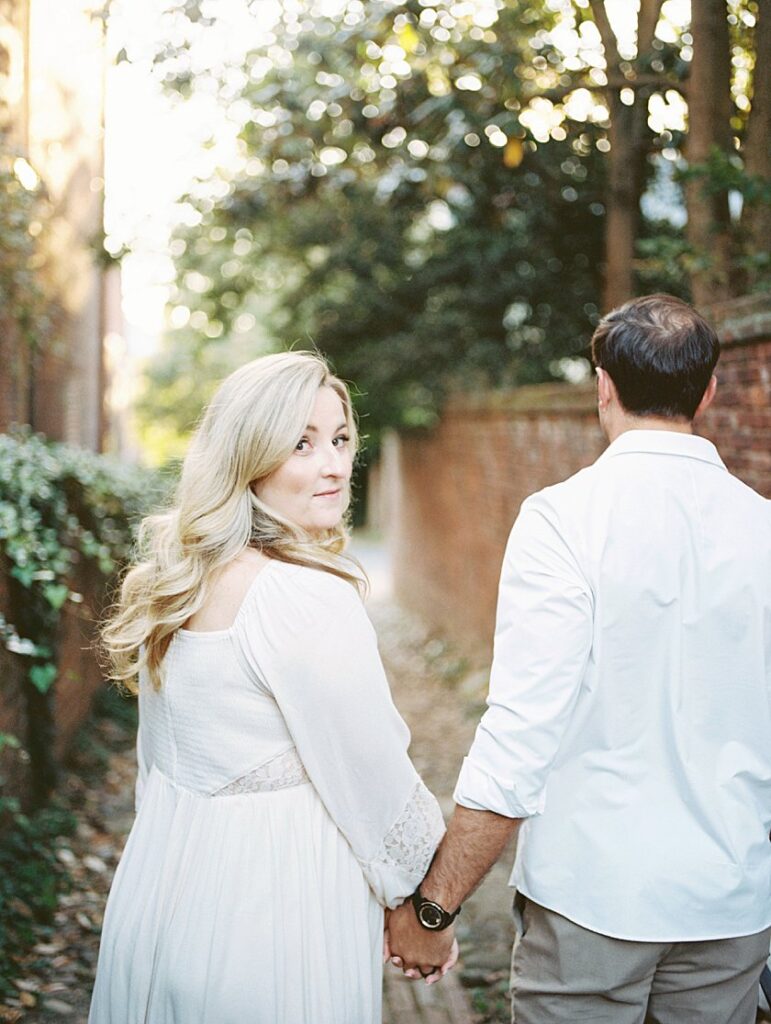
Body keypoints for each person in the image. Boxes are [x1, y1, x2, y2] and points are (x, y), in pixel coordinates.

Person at [387, 294, 771, 1023]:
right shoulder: (764, 529)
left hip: (594, 902)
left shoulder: (563, 521)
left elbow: (519, 735)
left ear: (603, 387)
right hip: (730, 909)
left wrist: (432, 909)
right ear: (710, 392)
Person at [89, 351, 454, 1024]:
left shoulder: (183, 582)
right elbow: (374, 779)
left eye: (340, 439)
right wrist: (424, 909)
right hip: (275, 914)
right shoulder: (301, 595)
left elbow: (157, 768)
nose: (335, 464)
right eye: (301, 444)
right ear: (248, 457)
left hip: (162, 893)